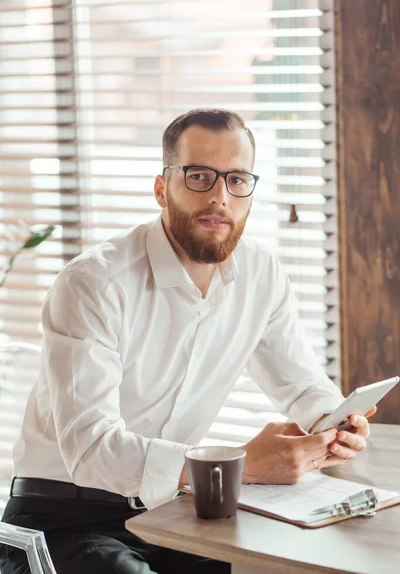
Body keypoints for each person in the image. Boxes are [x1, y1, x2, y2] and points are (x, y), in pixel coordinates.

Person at [0, 109, 376, 574]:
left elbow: (300, 385)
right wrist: (239, 465)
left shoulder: (262, 274)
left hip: (172, 509)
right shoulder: (94, 283)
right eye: (200, 176)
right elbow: (91, 450)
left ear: (250, 196)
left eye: (237, 179)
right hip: (60, 518)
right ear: (162, 188)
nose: (220, 196)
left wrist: (332, 422)